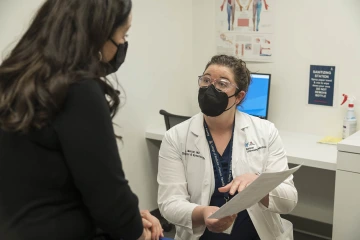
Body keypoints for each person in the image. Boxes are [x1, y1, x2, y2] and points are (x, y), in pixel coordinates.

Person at [0, 0, 163, 240]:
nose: (121, 46)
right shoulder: (77, 89)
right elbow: (109, 197)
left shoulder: (14, 79)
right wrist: (134, 229)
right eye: (122, 36)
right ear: (97, 33)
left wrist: (127, 217)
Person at [157, 55, 297, 240]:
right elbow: (169, 203)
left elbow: (289, 201)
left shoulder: (265, 132)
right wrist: (203, 213)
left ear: (239, 96)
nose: (210, 88)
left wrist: (259, 184)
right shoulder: (176, 137)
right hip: (203, 234)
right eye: (206, 80)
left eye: (222, 83)